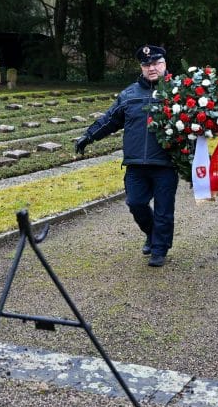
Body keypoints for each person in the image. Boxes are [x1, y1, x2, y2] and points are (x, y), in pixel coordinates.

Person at [75, 45, 178, 267]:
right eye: (146, 64)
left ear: (165, 64)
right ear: (141, 67)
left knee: (164, 210)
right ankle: (152, 234)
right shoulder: (129, 94)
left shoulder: (179, 92)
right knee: (135, 203)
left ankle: (160, 249)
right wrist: (88, 136)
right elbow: (110, 120)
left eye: (156, 63)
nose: (151, 68)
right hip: (135, 164)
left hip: (165, 163)